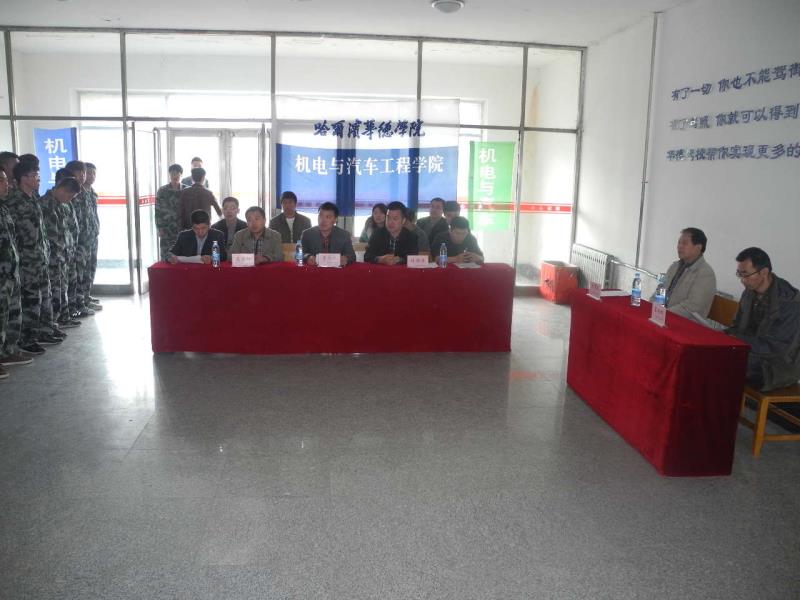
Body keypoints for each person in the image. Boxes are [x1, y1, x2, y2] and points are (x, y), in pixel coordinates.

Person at [5, 162, 62, 354]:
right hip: (26, 260)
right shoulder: (13, 202)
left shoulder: (33, 198)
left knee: (43, 296)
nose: (38, 179)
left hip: (40, 257)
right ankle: (26, 339)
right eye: (34, 175)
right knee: (30, 299)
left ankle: (42, 331)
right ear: (23, 178)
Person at [726, 247, 800, 392]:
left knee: (724, 363)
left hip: (777, 366)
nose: (742, 280)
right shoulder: (749, 291)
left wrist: (736, 340)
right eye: (739, 274)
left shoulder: (789, 302)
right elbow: (736, 326)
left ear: (764, 272)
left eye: (746, 274)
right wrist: (723, 335)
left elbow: (776, 348)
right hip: (751, 353)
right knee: (712, 354)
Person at [0, 169, 33, 376]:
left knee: (10, 314)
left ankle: (7, 351)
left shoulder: (3, 209)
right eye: (2, 181)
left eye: (6, 180)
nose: (7, 185)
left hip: (10, 272)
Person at [41, 177, 81, 337]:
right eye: (69, 196)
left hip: (61, 256)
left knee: (60, 290)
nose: (69, 200)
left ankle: (57, 321)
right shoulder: (45, 204)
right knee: (51, 293)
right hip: (50, 257)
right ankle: (49, 325)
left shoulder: (60, 205)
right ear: (62, 189)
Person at [659, 227, 717, 319]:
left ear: (698, 247)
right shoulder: (674, 266)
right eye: (679, 242)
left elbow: (693, 307)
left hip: (683, 322)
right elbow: (660, 290)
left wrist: (665, 313)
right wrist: (652, 307)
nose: (679, 246)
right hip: (663, 316)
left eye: (684, 243)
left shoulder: (706, 274)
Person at [65, 160, 93, 318]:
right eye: (79, 172)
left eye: (84, 172)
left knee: (84, 272)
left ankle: (83, 301)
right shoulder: (70, 193)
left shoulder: (85, 191)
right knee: (76, 275)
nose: (83, 175)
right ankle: (76, 305)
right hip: (75, 243)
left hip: (86, 239)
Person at [300, 202, 356, 266]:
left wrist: (345, 258)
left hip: (336, 271)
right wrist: (308, 257)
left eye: (328, 217)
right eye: (321, 216)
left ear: (335, 220)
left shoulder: (344, 235)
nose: (323, 220)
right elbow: (300, 254)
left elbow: (352, 255)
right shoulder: (307, 234)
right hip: (315, 270)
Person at [155, 164, 186, 261]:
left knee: (182, 255)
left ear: (181, 175)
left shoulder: (186, 190)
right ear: (169, 174)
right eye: (172, 173)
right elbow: (157, 210)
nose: (175, 176)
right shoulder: (162, 190)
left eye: (177, 174)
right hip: (166, 228)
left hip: (182, 228)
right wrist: (159, 228)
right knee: (166, 256)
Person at [82, 162, 101, 311]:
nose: (91, 176)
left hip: (92, 236)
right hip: (82, 239)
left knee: (91, 267)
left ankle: (87, 296)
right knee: (82, 270)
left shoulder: (92, 193)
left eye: (94, 173)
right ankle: (80, 300)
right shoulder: (78, 193)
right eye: (88, 173)